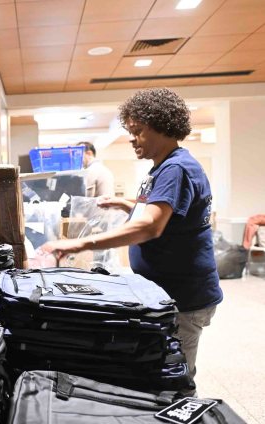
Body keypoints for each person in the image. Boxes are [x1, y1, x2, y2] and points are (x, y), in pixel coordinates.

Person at [42, 88, 222, 393]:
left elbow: (150, 225)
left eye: (138, 131)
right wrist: (125, 204)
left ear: (163, 126)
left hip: (185, 296)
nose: (131, 138)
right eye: (129, 131)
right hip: (170, 289)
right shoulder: (165, 167)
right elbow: (168, 211)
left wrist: (78, 244)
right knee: (160, 366)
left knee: (176, 376)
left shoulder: (176, 168)